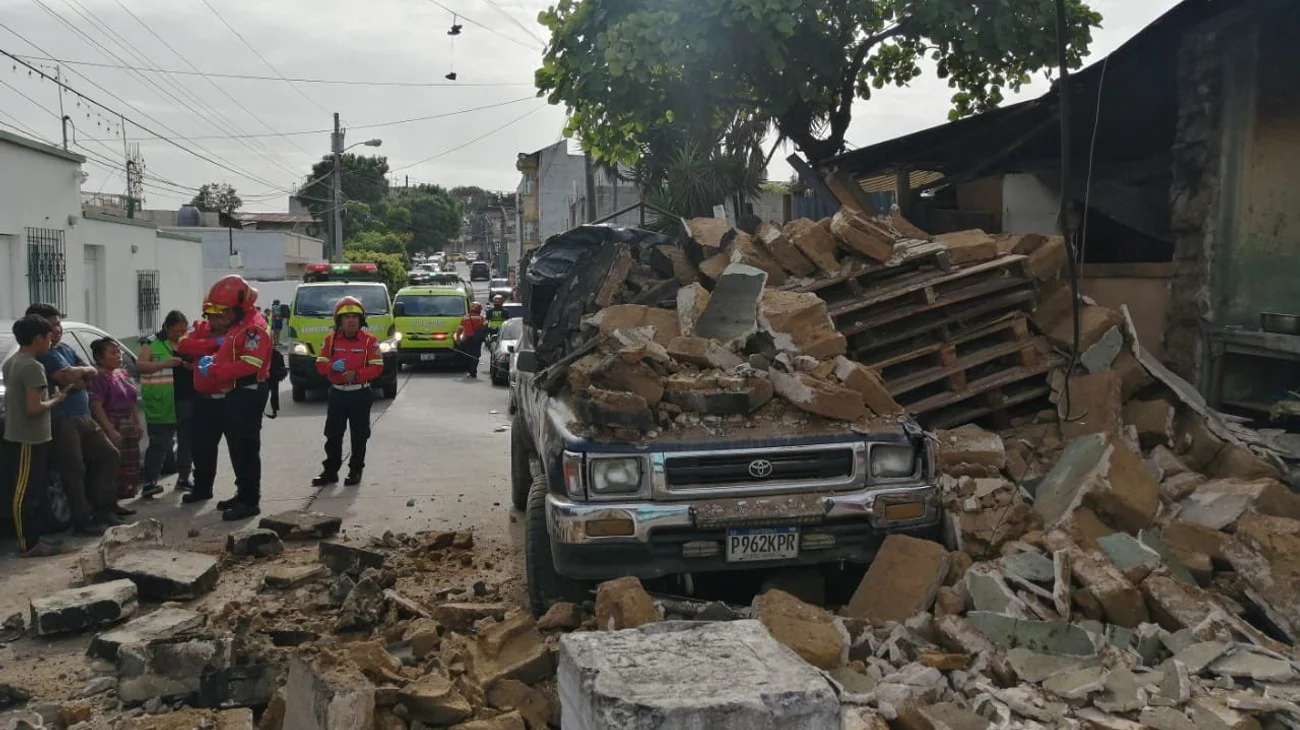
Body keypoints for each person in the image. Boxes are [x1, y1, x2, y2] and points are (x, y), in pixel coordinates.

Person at [26, 303, 120, 534]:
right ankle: (82, 519)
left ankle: (104, 507)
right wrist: (77, 376)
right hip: (62, 420)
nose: (58, 329)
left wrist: (79, 376)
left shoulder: (65, 348)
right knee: (73, 469)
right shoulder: (43, 355)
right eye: (53, 325)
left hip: (84, 416)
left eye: (59, 324)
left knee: (108, 455)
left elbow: (89, 372)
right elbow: (65, 377)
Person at [184, 275, 272, 521]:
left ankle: (249, 501)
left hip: (248, 390)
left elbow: (251, 364)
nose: (217, 317)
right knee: (237, 448)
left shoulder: (253, 328)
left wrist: (215, 371)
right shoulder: (239, 325)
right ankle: (242, 494)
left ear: (238, 307)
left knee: (245, 448)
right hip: (237, 392)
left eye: (222, 311)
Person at [3, 315, 68, 557]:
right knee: (24, 493)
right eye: (49, 337)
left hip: (23, 435)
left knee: (33, 490)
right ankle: (27, 544)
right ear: (38, 338)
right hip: (28, 438)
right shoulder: (33, 367)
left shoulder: (12, 363)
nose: (51, 342)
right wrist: (56, 399)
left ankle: (35, 539)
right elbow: (34, 407)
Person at [311, 296, 383, 487]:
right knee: (333, 435)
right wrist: (331, 367)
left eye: (355, 317)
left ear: (361, 320)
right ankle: (330, 471)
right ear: (339, 321)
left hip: (360, 393)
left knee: (359, 435)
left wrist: (357, 375)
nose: (351, 320)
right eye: (346, 317)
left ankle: (355, 470)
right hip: (338, 394)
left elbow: (377, 367)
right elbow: (320, 364)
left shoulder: (370, 341)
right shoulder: (331, 339)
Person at [137, 311, 194, 497]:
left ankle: (184, 478)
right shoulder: (151, 342)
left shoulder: (188, 341)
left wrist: (189, 366)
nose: (180, 334)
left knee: (186, 441)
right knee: (160, 443)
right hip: (162, 402)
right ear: (167, 328)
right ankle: (150, 482)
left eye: (184, 330)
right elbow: (141, 366)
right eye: (177, 330)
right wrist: (165, 364)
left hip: (186, 398)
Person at [88, 338, 142, 501]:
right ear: (100, 357)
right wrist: (110, 430)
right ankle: (109, 503)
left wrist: (137, 423)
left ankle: (122, 500)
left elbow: (132, 402)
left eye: (119, 352)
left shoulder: (122, 373)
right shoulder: (99, 377)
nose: (118, 356)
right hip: (112, 422)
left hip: (128, 424)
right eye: (113, 353)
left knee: (130, 465)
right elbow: (96, 405)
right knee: (113, 466)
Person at [455, 302, 489, 378]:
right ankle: (473, 370)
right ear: (479, 309)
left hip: (467, 338)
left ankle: (470, 369)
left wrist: (457, 339)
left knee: (468, 354)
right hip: (477, 339)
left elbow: (459, 330)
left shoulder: (465, 318)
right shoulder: (480, 318)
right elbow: (486, 326)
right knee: (476, 355)